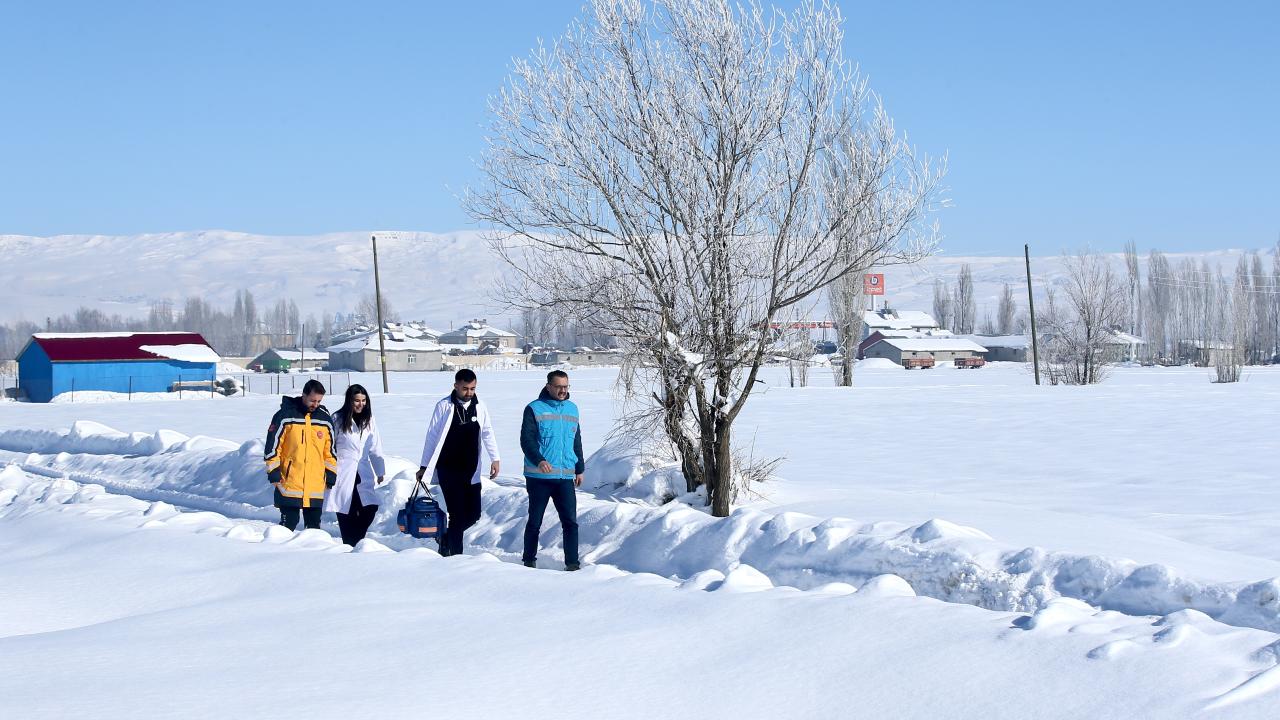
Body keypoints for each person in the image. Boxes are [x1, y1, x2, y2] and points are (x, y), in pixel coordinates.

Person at [416, 369, 501, 556]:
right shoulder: (444, 406)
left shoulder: (480, 406)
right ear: (455, 386)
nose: (469, 393)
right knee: (456, 515)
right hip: (449, 469)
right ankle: (456, 557)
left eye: (472, 388)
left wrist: (495, 458)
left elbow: (487, 432)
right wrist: (424, 466)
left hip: (471, 471)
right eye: (465, 388)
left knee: (474, 514)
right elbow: (432, 437)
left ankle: (447, 537)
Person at [520, 370, 585, 571]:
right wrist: (539, 460)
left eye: (566, 386)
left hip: (565, 476)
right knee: (535, 521)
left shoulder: (572, 409)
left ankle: (572, 564)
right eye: (558, 387)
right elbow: (526, 439)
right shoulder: (534, 408)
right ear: (548, 386)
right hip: (539, 477)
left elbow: (576, 441)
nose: (562, 390)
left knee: (570, 523)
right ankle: (529, 560)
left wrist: (579, 468)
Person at [264, 379, 337, 531]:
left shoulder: (324, 420)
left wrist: (330, 474)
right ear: (303, 395)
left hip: (315, 485)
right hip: (289, 483)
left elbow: (329, 452)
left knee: (313, 530)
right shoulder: (285, 416)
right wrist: (274, 473)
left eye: (318, 401)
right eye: (312, 400)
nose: (315, 404)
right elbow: (272, 448)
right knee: (288, 525)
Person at [323, 384, 387, 546]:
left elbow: (375, 447)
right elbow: (328, 446)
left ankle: (356, 540)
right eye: (357, 400)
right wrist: (327, 469)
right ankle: (350, 544)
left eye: (364, 400)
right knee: (346, 511)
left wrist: (380, 470)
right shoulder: (338, 418)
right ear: (349, 401)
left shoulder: (369, 420)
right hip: (343, 471)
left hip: (363, 471)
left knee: (370, 508)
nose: (361, 404)